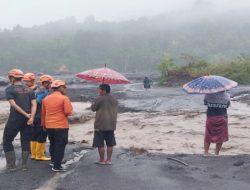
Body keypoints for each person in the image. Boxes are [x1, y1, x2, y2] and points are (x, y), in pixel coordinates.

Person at [3, 69, 37, 171]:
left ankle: (11, 166)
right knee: (25, 140)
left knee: (7, 140)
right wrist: (31, 117)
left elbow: (13, 105)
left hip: (15, 118)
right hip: (28, 120)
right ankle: (24, 166)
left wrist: (26, 115)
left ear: (12, 78)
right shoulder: (29, 89)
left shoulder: (9, 89)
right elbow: (34, 104)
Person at [42, 80, 73, 172]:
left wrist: (43, 125)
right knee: (60, 145)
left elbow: (43, 114)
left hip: (49, 125)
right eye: (64, 87)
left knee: (53, 144)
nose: (65, 88)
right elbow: (68, 112)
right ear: (59, 88)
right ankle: (57, 166)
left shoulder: (46, 99)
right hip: (61, 126)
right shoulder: (64, 98)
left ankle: (53, 161)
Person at [91, 84, 118, 165]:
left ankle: (102, 160)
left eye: (100, 90)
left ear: (104, 91)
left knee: (100, 143)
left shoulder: (99, 98)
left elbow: (93, 108)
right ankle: (109, 160)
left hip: (100, 125)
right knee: (110, 143)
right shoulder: (114, 99)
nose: (99, 91)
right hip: (111, 124)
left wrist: (95, 100)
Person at [30, 75, 53, 161]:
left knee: (34, 135)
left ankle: (34, 154)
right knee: (42, 135)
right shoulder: (43, 91)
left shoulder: (37, 90)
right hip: (40, 116)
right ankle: (39, 156)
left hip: (35, 115)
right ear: (45, 83)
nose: (51, 84)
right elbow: (38, 101)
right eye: (50, 83)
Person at [203, 91, 230, 156]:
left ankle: (206, 152)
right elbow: (227, 105)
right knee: (221, 136)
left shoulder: (208, 94)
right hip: (222, 118)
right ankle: (216, 153)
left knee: (208, 135)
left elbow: (205, 103)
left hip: (211, 118)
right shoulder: (227, 96)